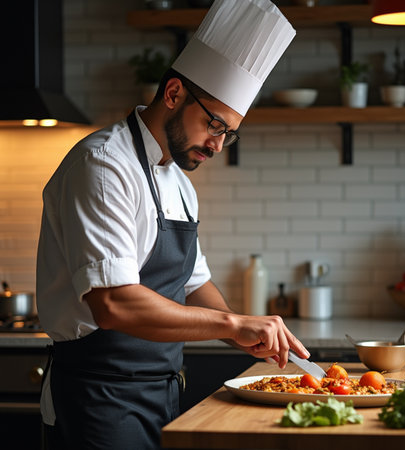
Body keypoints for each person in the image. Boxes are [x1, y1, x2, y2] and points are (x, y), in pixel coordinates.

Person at [36, 1, 309, 448]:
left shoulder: (179, 182)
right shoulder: (103, 166)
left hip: (162, 394)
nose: (218, 145)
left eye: (229, 133)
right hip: (98, 398)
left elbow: (193, 283)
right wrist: (231, 324)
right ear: (174, 94)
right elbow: (115, 306)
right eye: (214, 124)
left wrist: (247, 332)